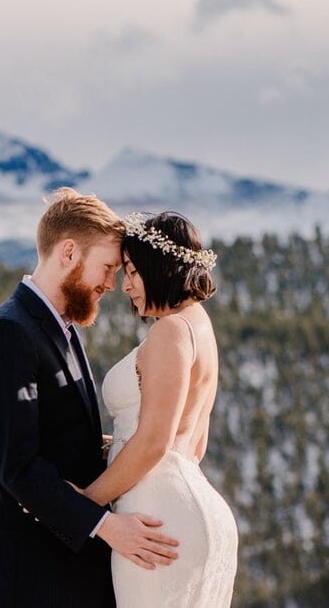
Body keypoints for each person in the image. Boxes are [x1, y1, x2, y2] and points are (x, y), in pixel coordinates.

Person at [0, 189, 180, 608]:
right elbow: (19, 466)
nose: (112, 284)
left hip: (66, 575)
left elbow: (56, 435)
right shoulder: (7, 335)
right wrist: (106, 525)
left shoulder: (61, 329)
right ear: (68, 253)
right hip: (26, 581)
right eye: (107, 267)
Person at [77, 211, 239, 607]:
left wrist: (84, 502)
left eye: (131, 270)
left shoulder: (169, 331)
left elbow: (154, 442)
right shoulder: (198, 326)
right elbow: (192, 446)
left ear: (159, 265)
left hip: (155, 519)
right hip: (194, 510)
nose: (125, 285)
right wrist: (119, 445)